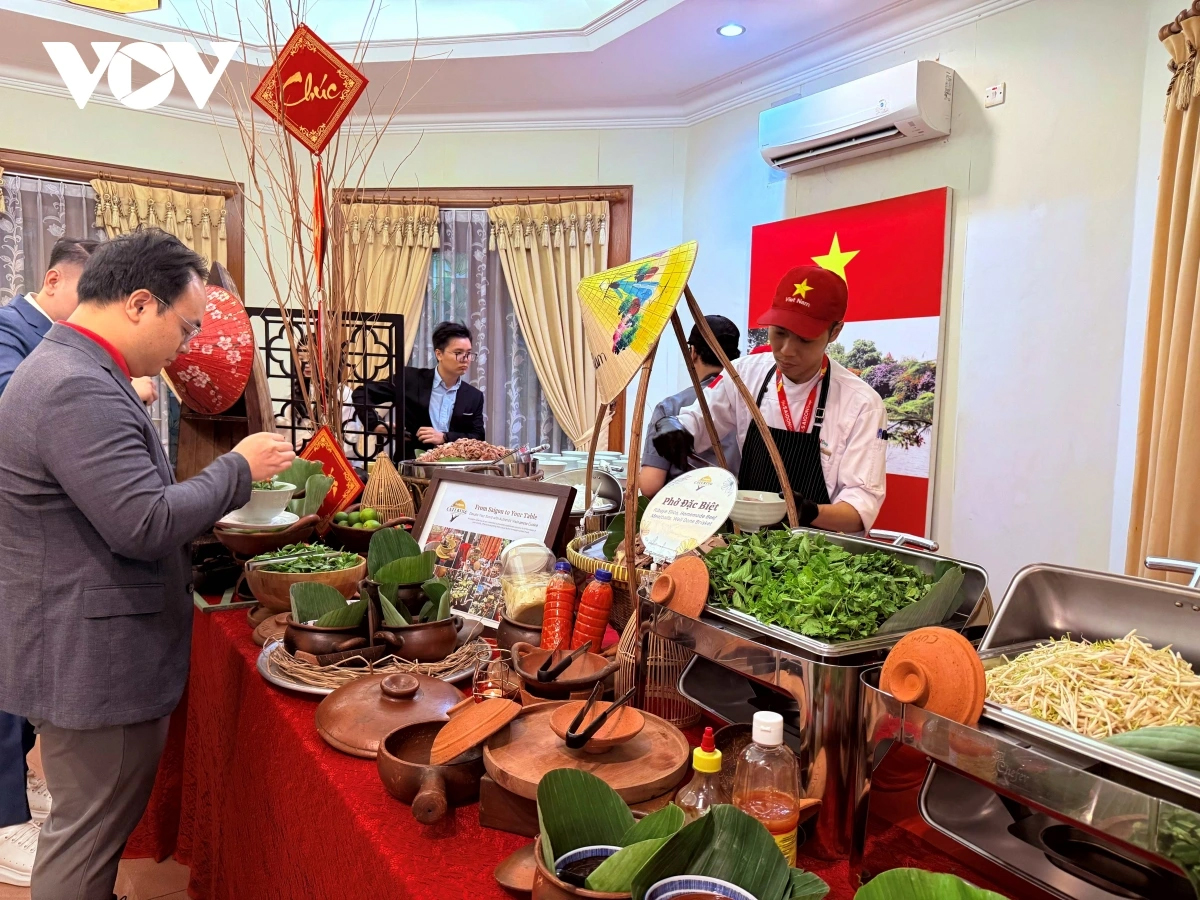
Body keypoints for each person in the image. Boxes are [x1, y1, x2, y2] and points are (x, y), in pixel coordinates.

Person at [0, 229, 295, 900]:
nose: (185, 347)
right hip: (94, 658)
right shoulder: (75, 385)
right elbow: (144, 522)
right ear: (138, 303)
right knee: (86, 838)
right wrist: (237, 467)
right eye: (184, 327)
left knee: (86, 829)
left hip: (76, 642)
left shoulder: (70, 367)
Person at [652, 265, 887, 533]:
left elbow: (859, 510)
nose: (787, 350)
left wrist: (808, 512)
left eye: (805, 340)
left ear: (834, 332)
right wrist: (674, 426)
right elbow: (698, 422)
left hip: (817, 548)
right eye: (780, 333)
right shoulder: (744, 374)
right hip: (747, 543)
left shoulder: (862, 404)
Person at [639, 315, 743, 498]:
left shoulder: (670, 408)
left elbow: (650, 485)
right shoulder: (750, 404)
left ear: (692, 353)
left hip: (683, 509)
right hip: (738, 509)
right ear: (735, 356)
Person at [354, 321, 485, 459]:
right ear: (439, 354)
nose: (466, 359)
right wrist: (374, 423)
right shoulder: (409, 379)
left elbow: (478, 436)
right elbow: (361, 393)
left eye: (469, 353)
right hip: (411, 464)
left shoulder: (474, 396)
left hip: (455, 467)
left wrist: (445, 437)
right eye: (458, 353)